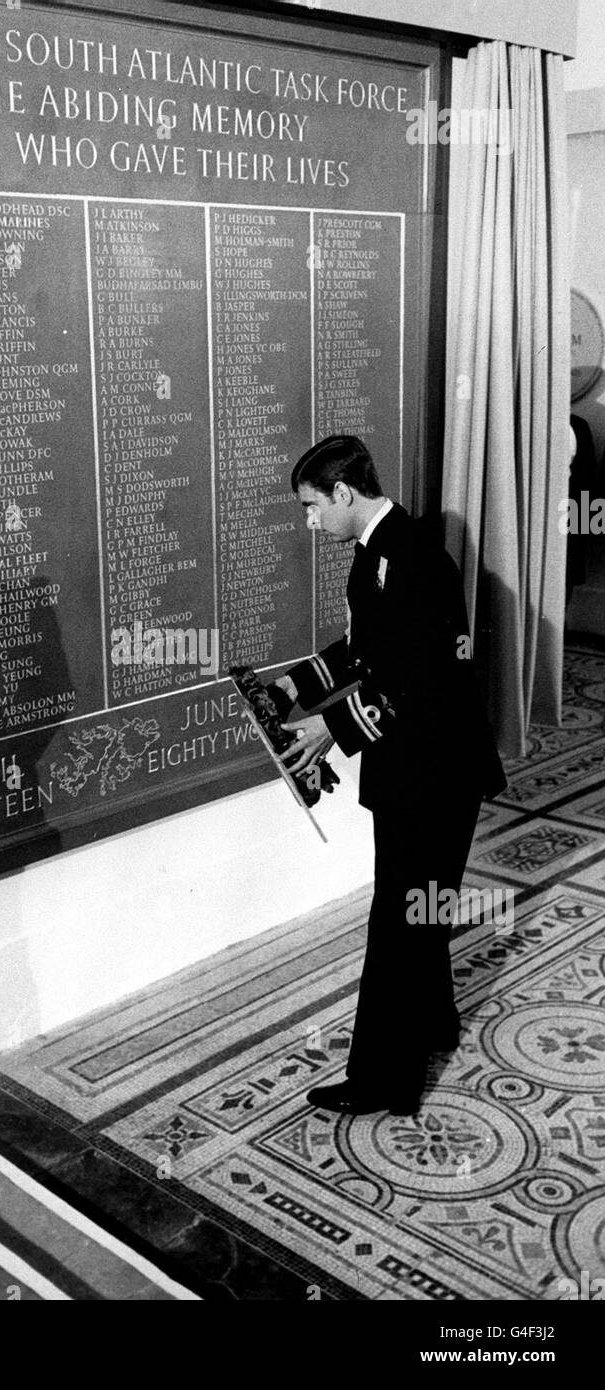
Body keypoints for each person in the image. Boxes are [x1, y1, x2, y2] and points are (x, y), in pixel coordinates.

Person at [268, 435, 506, 1116]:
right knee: (417, 903)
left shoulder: (416, 558)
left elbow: (421, 679)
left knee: (400, 921)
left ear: (344, 494)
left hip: (437, 772)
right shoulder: (375, 553)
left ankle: (383, 1081)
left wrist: (331, 730)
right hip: (415, 767)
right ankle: (434, 1025)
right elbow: (367, 649)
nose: (309, 521)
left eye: (312, 507)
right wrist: (294, 686)